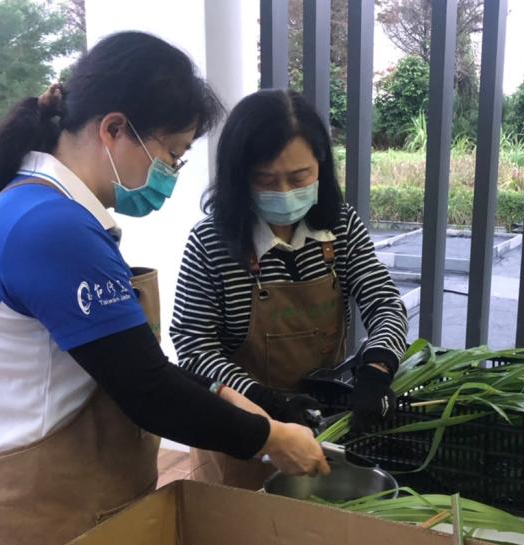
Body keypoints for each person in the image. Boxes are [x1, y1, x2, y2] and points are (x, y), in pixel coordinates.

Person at [0, 33, 328, 545]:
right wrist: (271, 440)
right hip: (38, 525)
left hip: (74, 510)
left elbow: (126, 364)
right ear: (115, 129)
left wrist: (228, 394)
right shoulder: (51, 227)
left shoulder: (54, 213)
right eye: (172, 153)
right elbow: (148, 393)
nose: (172, 172)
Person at [171, 90, 409, 489]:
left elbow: (383, 301)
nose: (283, 192)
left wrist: (377, 368)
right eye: (265, 180)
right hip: (241, 431)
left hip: (323, 426)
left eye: (299, 178)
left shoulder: (341, 227)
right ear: (238, 175)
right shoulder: (211, 243)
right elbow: (194, 346)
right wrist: (265, 401)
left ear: (321, 167)